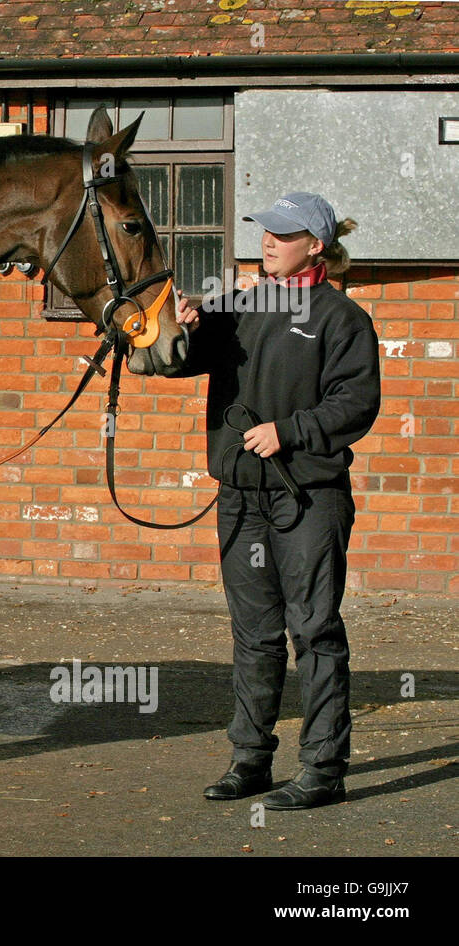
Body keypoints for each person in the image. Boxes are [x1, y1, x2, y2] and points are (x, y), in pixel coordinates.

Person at [171, 192, 381, 810]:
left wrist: (291, 432)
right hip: (240, 499)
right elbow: (177, 362)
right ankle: (250, 760)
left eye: (284, 234)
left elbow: (357, 403)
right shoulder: (238, 304)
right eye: (265, 231)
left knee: (313, 630)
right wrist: (181, 328)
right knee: (254, 635)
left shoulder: (343, 319)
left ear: (316, 245)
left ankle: (322, 768)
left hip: (308, 501)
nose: (268, 241)